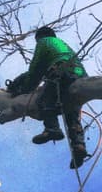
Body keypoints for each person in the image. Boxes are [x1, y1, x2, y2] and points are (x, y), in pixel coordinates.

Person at [11, 26, 90, 169]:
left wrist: (24, 88)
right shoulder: (62, 45)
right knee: (71, 113)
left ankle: (52, 129)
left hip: (62, 72)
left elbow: (35, 69)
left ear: (39, 37)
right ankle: (79, 146)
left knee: (45, 99)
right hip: (79, 75)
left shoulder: (44, 42)